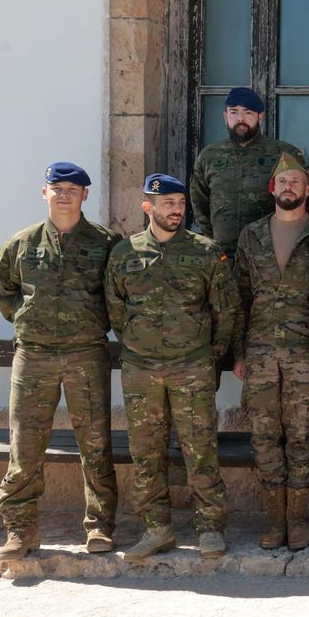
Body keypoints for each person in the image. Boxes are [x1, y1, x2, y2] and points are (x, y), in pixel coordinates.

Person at [0, 162, 121, 560]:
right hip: (35, 356)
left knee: (95, 443)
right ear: (44, 193)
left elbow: (118, 293)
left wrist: (97, 322)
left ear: (85, 196)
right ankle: (20, 530)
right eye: (56, 188)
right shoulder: (23, 242)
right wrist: (26, 320)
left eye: (73, 188)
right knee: (25, 445)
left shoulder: (105, 242)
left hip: (86, 353)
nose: (64, 194)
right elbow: (1, 288)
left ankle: (99, 526)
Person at [105, 173, 239, 561]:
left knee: (201, 450)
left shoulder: (206, 252)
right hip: (141, 370)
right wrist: (135, 343)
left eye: (181, 204)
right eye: (168, 204)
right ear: (148, 206)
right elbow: (115, 309)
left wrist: (210, 354)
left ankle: (211, 528)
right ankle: (155, 528)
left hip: (192, 367)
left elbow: (225, 310)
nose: (177, 210)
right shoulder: (124, 254)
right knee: (146, 452)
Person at [232, 152, 309, 551]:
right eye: (282, 181)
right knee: (263, 436)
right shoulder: (250, 235)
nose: (288, 187)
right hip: (259, 353)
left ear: (308, 189)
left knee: (301, 434)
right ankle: (274, 518)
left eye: (296, 181)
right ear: (272, 188)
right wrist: (239, 351)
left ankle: (298, 517)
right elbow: (238, 297)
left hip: (306, 354)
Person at [190, 86, 306, 252]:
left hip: (269, 252)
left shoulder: (284, 154)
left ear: (260, 117)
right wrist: (215, 235)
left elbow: (307, 197)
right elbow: (198, 201)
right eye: (234, 112)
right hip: (223, 252)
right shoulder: (209, 156)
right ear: (225, 117)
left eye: (248, 113)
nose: (240, 119)